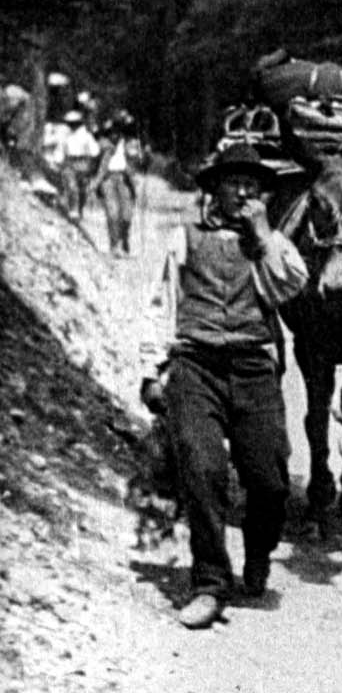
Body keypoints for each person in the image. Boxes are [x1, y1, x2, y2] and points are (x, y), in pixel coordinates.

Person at [141, 143, 308, 629]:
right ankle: (210, 582)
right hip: (195, 365)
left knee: (270, 478)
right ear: (213, 188)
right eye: (233, 182)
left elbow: (292, 283)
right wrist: (151, 371)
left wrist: (263, 236)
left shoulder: (266, 244)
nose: (242, 192)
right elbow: (160, 302)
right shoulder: (183, 237)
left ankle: (259, 552)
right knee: (202, 466)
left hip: (254, 367)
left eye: (252, 185)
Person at [89, 113, 143, 256]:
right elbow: (96, 162)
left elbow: (138, 161)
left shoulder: (129, 144)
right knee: (112, 213)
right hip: (108, 179)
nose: (115, 134)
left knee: (126, 214)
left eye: (118, 131)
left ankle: (124, 239)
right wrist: (95, 182)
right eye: (112, 131)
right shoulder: (103, 145)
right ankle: (115, 245)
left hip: (124, 179)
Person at [60, 109, 101, 221]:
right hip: (69, 163)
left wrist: (90, 160)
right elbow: (61, 150)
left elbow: (95, 151)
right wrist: (59, 160)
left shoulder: (87, 136)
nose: (71, 126)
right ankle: (73, 209)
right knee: (71, 185)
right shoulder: (65, 135)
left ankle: (79, 209)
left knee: (82, 189)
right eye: (70, 123)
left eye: (74, 123)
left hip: (83, 164)